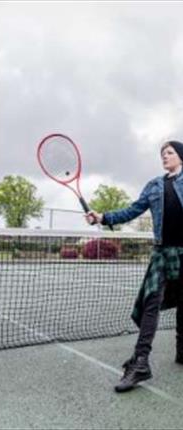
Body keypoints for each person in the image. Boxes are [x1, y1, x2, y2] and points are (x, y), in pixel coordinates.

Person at [86, 140, 183, 392]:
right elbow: (132, 210)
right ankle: (140, 363)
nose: (164, 156)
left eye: (169, 152)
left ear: (181, 156)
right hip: (162, 254)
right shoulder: (154, 186)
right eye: (162, 154)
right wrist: (103, 217)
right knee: (151, 305)